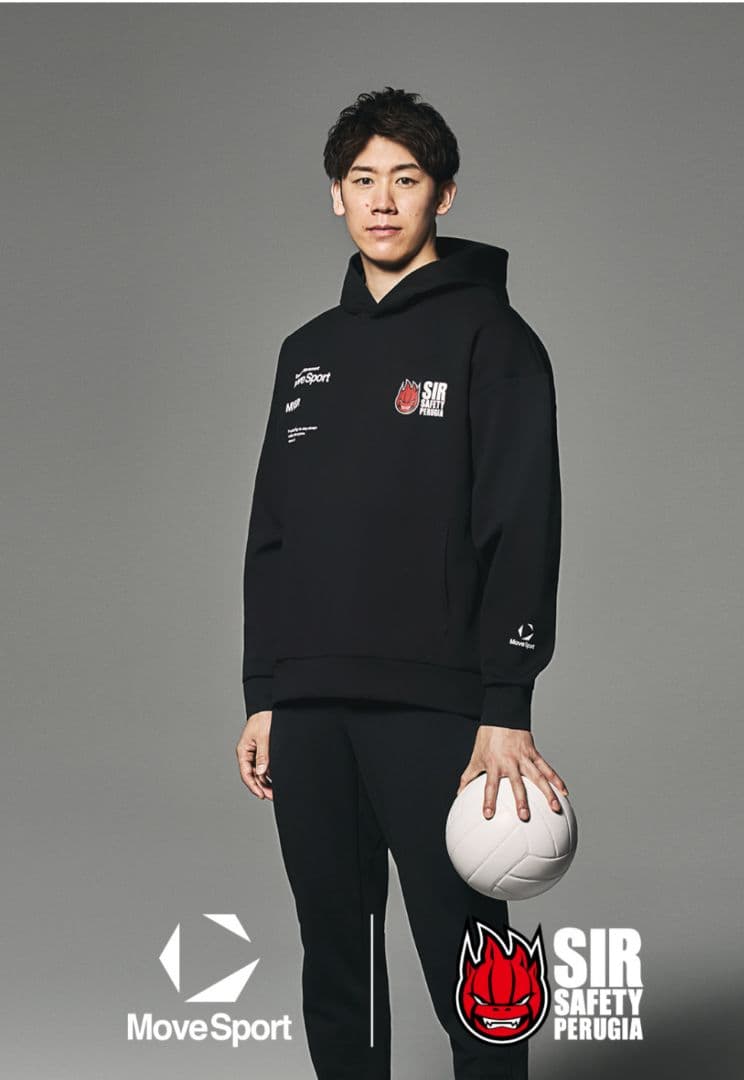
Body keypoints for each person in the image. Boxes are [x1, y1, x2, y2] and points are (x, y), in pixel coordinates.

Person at [236, 86, 568, 1080]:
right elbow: (272, 533)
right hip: (309, 709)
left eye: (406, 179)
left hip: (437, 712)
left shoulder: (494, 341)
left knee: (475, 965)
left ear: (443, 195)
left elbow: (522, 529)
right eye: (362, 179)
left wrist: (505, 706)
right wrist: (264, 692)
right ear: (336, 195)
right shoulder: (305, 352)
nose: (382, 200)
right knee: (337, 957)